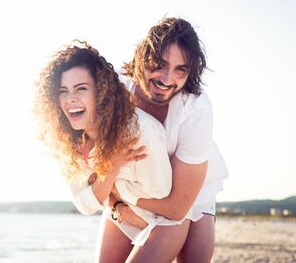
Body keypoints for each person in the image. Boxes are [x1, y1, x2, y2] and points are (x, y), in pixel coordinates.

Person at [34, 41, 200, 262]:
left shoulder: (139, 132)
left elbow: (160, 192)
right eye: (63, 91)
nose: (70, 98)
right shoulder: (66, 140)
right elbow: (83, 204)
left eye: (81, 88)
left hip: (166, 221)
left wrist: (112, 192)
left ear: (100, 93)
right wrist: (111, 169)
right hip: (120, 213)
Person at [111, 17, 229, 262]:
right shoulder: (116, 89)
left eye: (180, 69)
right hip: (134, 187)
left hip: (188, 196)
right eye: (158, 64)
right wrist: (117, 206)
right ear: (141, 58)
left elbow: (177, 208)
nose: (166, 78)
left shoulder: (196, 108)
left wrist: (121, 194)